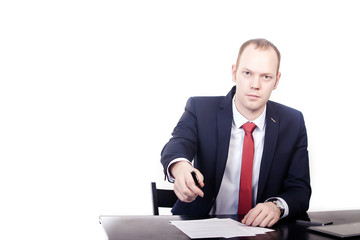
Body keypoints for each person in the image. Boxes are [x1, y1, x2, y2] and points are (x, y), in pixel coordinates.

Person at [160, 38, 311, 227]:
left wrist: (276, 206)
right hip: (201, 225)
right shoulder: (200, 109)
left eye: (266, 77)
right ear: (234, 72)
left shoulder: (293, 122)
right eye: (247, 73)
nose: (255, 84)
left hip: (262, 232)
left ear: (277, 80)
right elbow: (178, 143)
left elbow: (300, 189)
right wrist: (181, 167)